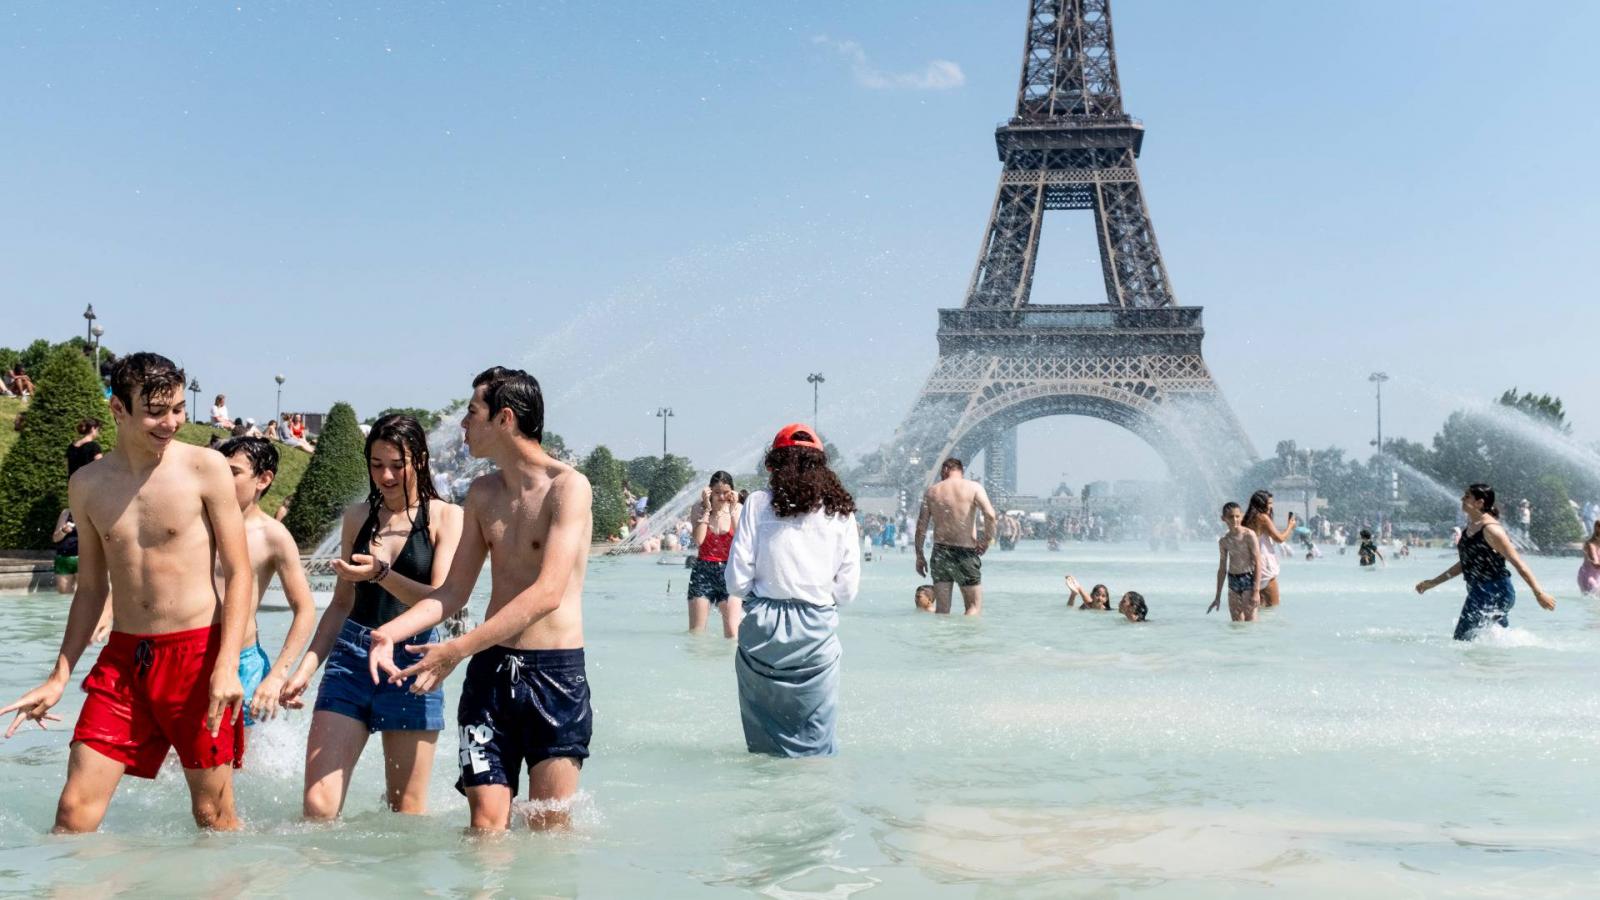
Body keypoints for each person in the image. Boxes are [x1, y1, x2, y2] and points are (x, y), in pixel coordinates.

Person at [1, 352, 251, 832]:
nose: (171, 422)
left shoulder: (206, 468)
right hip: (123, 661)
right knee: (73, 812)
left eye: (178, 408)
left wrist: (226, 665)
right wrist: (58, 676)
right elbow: (92, 588)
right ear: (118, 408)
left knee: (213, 817)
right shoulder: (87, 484)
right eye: (156, 412)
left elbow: (240, 574)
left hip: (198, 657)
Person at [368, 368, 592, 832]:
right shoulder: (483, 494)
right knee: (485, 828)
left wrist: (456, 648)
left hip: (555, 676)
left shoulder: (568, 488)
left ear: (504, 418)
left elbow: (548, 593)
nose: (463, 424)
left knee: (549, 830)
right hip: (490, 676)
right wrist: (388, 632)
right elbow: (453, 592)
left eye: (472, 413)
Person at [280, 415, 463, 819]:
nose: (386, 476)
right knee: (318, 808)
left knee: (405, 811)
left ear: (420, 460)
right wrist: (305, 669)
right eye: (377, 465)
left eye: (397, 465)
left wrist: (381, 574)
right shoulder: (357, 518)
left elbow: (441, 599)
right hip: (351, 658)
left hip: (412, 662)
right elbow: (340, 605)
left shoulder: (446, 517)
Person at [727, 423, 860, 757]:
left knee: (763, 749)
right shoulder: (841, 512)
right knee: (816, 744)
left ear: (773, 464)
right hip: (816, 632)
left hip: (762, 632)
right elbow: (847, 592)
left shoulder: (757, 503)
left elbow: (736, 582)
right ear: (822, 466)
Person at [212, 437, 318, 728]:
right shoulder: (198, 524)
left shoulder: (273, 536)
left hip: (244, 663)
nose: (221, 480)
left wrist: (278, 675)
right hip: (192, 654)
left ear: (263, 479)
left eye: (233, 473)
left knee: (239, 753)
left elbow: (305, 609)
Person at [1415, 483, 1557, 640]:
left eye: (1467, 496)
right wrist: (1433, 582)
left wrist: (1539, 593)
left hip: (1493, 590)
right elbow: (1465, 563)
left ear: (1479, 502)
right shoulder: (1472, 527)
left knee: (1462, 639)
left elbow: (1518, 563)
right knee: (1496, 640)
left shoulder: (1491, 530)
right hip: (1482, 590)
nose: (1462, 499)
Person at [913, 458, 997, 616]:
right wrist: (986, 541)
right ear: (960, 471)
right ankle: (968, 633)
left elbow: (921, 527)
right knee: (973, 607)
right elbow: (990, 515)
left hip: (940, 553)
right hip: (965, 552)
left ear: (946, 469)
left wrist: (919, 555)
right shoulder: (973, 488)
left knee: (942, 610)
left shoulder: (932, 492)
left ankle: (942, 633)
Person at [686, 471, 743, 637]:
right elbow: (699, 540)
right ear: (709, 491)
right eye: (717, 492)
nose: (722, 497)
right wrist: (707, 509)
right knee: (696, 632)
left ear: (732, 492)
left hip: (730, 572)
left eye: (726, 492)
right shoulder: (698, 508)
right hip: (703, 571)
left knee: (732, 633)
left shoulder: (738, 509)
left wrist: (732, 511)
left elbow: (741, 540)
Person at [1208, 501, 1263, 622]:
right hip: (1233, 580)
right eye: (1231, 517)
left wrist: (1256, 591)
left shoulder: (1249, 535)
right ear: (1223, 518)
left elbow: (1258, 563)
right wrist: (1217, 596)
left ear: (1242, 516)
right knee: (1236, 623)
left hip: (1248, 578)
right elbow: (1222, 569)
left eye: (1237, 516)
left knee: (1251, 622)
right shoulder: (1224, 541)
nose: (1234, 520)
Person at [1242, 490, 1295, 609]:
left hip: (1251, 566)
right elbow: (1280, 538)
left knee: (1259, 608)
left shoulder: (1247, 519)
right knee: (1273, 607)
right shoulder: (1263, 518)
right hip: (1265, 566)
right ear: (1262, 503)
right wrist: (1290, 526)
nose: (1271, 506)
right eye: (1269, 503)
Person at [51, 508, 79, 595]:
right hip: (63, 558)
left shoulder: (91, 511)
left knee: (85, 595)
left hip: (84, 558)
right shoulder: (66, 513)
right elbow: (55, 538)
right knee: (64, 596)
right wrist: (63, 531)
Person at [1579, 521, 1600, 595]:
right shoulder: (1590, 544)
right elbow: (1595, 564)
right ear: (1597, 528)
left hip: (1597, 577)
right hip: (1587, 577)